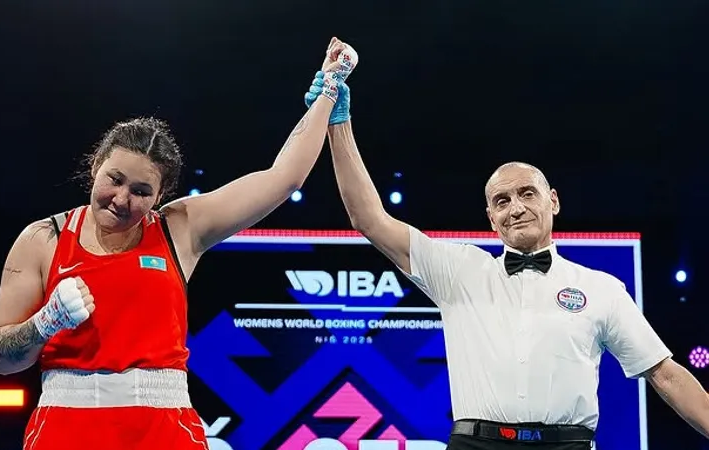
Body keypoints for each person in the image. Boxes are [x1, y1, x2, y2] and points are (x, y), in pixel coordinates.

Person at [0, 37, 358, 450]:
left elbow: (282, 178)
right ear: (95, 167)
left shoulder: (178, 229)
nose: (122, 199)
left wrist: (329, 88)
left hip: (163, 428)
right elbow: (0, 359)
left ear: (159, 196)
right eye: (114, 180)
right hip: (65, 427)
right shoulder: (43, 239)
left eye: (141, 191)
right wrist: (45, 322)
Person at [304, 86, 709, 448]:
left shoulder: (601, 289)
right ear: (491, 220)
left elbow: (667, 375)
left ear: (553, 201)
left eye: (527, 194)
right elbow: (369, 219)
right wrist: (339, 123)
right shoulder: (460, 270)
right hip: (475, 444)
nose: (515, 208)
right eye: (502, 201)